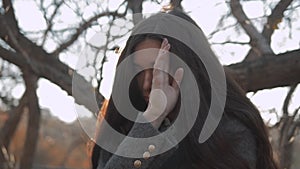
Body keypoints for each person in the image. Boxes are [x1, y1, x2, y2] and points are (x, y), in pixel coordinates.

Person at [91, 9, 279, 169]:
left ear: (191, 67)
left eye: (159, 68)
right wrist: (152, 118)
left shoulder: (231, 131)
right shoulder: (120, 130)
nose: (148, 83)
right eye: (140, 71)